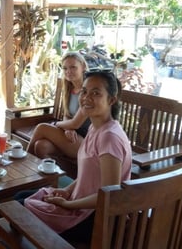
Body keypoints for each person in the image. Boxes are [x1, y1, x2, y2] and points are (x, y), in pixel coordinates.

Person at [17, 70, 132, 243]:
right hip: (80, 203)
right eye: (84, 91)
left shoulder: (110, 138)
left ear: (111, 100)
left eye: (96, 93)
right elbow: (90, 178)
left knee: (17, 207)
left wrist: (67, 204)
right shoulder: (96, 128)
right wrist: (66, 191)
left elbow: (110, 195)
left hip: (94, 220)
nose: (86, 97)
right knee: (20, 197)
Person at [27, 51, 91, 159]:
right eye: (65, 68)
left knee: (41, 128)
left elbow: (75, 124)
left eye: (73, 67)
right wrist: (67, 129)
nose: (68, 71)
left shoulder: (87, 91)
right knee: (41, 146)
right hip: (72, 136)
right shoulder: (70, 89)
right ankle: (50, 175)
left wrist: (58, 124)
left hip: (87, 142)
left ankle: (24, 161)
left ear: (83, 67)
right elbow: (67, 116)